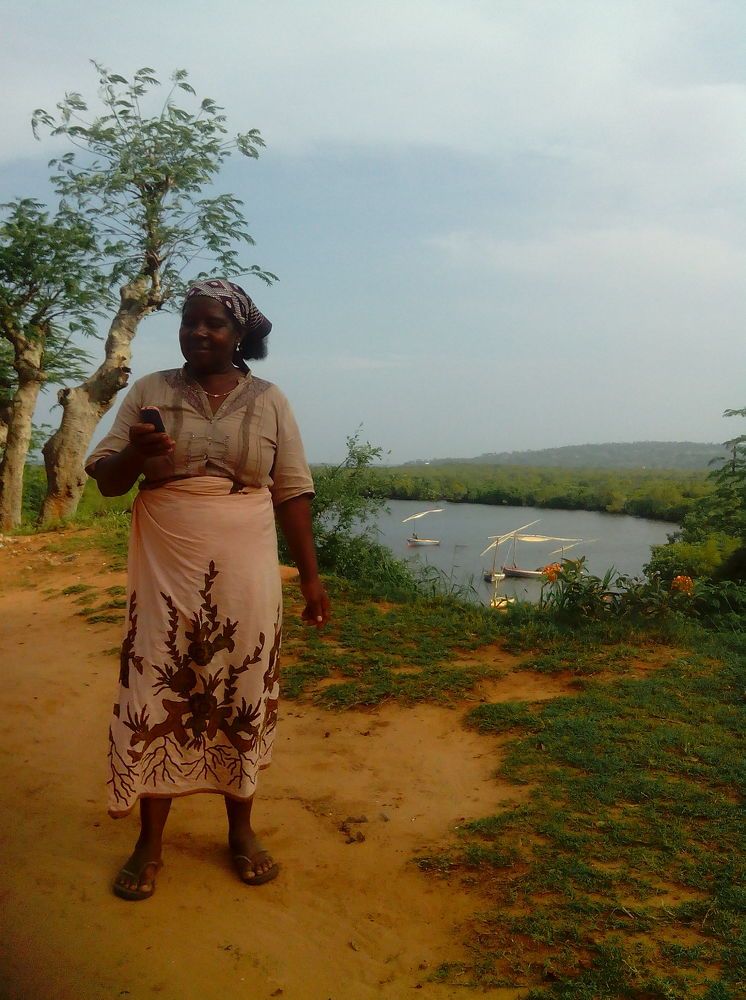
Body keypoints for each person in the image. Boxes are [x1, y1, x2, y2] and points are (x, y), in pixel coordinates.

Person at [86, 278, 330, 901]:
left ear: (239, 333)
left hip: (247, 562)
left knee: (240, 679)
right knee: (158, 677)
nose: (198, 331)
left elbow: (291, 491)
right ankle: (149, 841)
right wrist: (136, 454)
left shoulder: (270, 400)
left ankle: (241, 829)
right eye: (189, 321)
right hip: (166, 561)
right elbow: (108, 482)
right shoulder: (150, 391)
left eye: (213, 323)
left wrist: (309, 575)